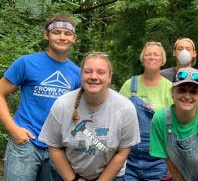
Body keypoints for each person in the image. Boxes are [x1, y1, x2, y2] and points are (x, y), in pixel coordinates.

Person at [0, 14, 81, 180]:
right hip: (25, 143)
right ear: (46, 35)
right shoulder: (26, 63)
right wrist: (13, 129)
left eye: (67, 34)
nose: (62, 37)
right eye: (56, 32)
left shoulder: (77, 73)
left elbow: (78, 111)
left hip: (57, 148)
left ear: (74, 38)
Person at [39, 52, 140, 180]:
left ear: (110, 77)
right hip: (67, 174)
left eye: (101, 72)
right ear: (81, 75)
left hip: (111, 176)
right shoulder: (62, 105)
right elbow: (54, 147)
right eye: (88, 71)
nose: (94, 77)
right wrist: (73, 179)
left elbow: (122, 152)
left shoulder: (126, 108)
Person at [150, 67, 198, 181]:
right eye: (182, 90)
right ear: (172, 92)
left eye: (193, 92)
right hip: (182, 174)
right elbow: (168, 160)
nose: (187, 96)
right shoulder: (160, 119)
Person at [119, 41, 173, 180]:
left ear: (163, 61)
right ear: (142, 59)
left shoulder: (171, 88)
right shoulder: (129, 85)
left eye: (156, 55)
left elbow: (176, 127)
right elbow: (117, 120)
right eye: (148, 54)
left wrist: (173, 164)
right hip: (129, 158)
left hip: (159, 160)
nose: (152, 57)